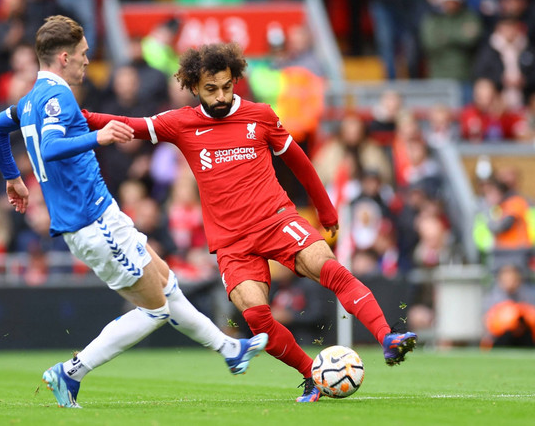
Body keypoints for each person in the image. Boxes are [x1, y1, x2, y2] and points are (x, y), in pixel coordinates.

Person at [83, 42, 417, 403]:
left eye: (227, 86)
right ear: (195, 87)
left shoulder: (260, 115)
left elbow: (299, 161)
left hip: (276, 220)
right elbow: (128, 126)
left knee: (330, 269)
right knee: (257, 320)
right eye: (212, 89)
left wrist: (326, 210)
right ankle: (312, 375)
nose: (222, 95)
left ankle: (387, 336)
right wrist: (79, 115)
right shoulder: (180, 123)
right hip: (231, 243)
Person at [0, 16, 268, 409]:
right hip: (91, 222)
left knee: (166, 283)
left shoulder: (30, 99)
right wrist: (97, 136)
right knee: (155, 310)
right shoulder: (56, 97)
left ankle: (230, 350)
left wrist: (13, 178)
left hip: (102, 216)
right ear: (64, 57)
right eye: (83, 55)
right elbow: (49, 147)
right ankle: (71, 372)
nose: (87, 62)